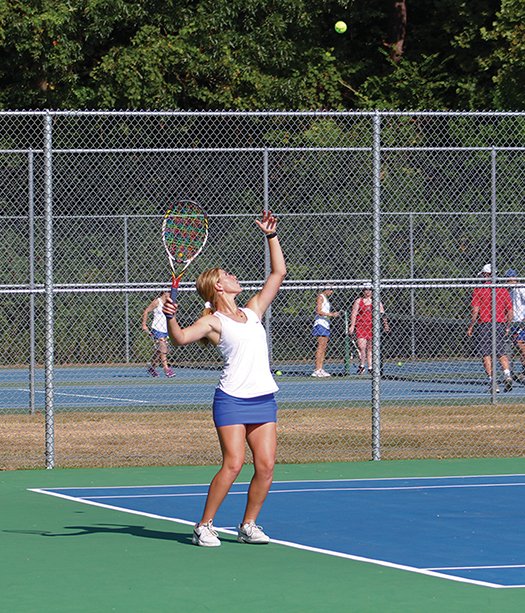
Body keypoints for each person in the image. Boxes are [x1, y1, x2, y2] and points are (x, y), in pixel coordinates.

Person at [163, 211, 286, 547]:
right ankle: (204, 525)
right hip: (231, 399)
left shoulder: (252, 310)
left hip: (263, 398)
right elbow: (181, 339)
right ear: (218, 286)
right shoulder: (214, 321)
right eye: (227, 275)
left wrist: (270, 236)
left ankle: (248, 525)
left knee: (266, 466)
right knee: (233, 464)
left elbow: (279, 272)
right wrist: (170, 318)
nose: (234, 277)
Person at [467, 264, 513, 393]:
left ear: (486, 275)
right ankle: (507, 374)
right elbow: (510, 311)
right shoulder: (502, 290)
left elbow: (475, 310)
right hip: (499, 324)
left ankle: (493, 381)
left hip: (485, 324)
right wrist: (507, 325)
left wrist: (471, 325)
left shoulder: (479, 290)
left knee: (486, 354)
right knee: (500, 352)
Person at [348, 283, 389, 375]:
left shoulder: (376, 301)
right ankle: (362, 366)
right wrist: (352, 326)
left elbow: (383, 313)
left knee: (370, 348)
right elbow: (354, 314)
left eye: (369, 289)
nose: (367, 291)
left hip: (372, 327)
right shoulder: (359, 301)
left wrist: (386, 324)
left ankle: (370, 367)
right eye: (366, 289)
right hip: (361, 326)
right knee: (362, 347)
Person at [141, 291, 175, 378]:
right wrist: (144, 324)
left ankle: (152, 367)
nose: (170, 294)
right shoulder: (157, 302)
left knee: (160, 350)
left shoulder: (170, 302)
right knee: (163, 347)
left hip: (166, 329)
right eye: (169, 292)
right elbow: (146, 311)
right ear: (164, 293)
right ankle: (166, 369)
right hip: (157, 329)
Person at [311, 288, 340, 377]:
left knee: (324, 347)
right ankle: (317, 369)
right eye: (330, 289)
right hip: (320, 324)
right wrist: (331, 314)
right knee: (320, 347)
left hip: (326, 324)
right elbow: (318, 311)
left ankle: (320, 368)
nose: (332, 292)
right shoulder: (321, 297)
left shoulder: (326, 299)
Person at [505, 269, 525, 383]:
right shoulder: (509, 290)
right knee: (509, 348)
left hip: (520, 321)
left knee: (521, 345)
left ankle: (524, 371)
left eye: (511, 278)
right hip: (512, 322)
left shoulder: (521, 288)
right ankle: (510, 373)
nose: (509, 281)